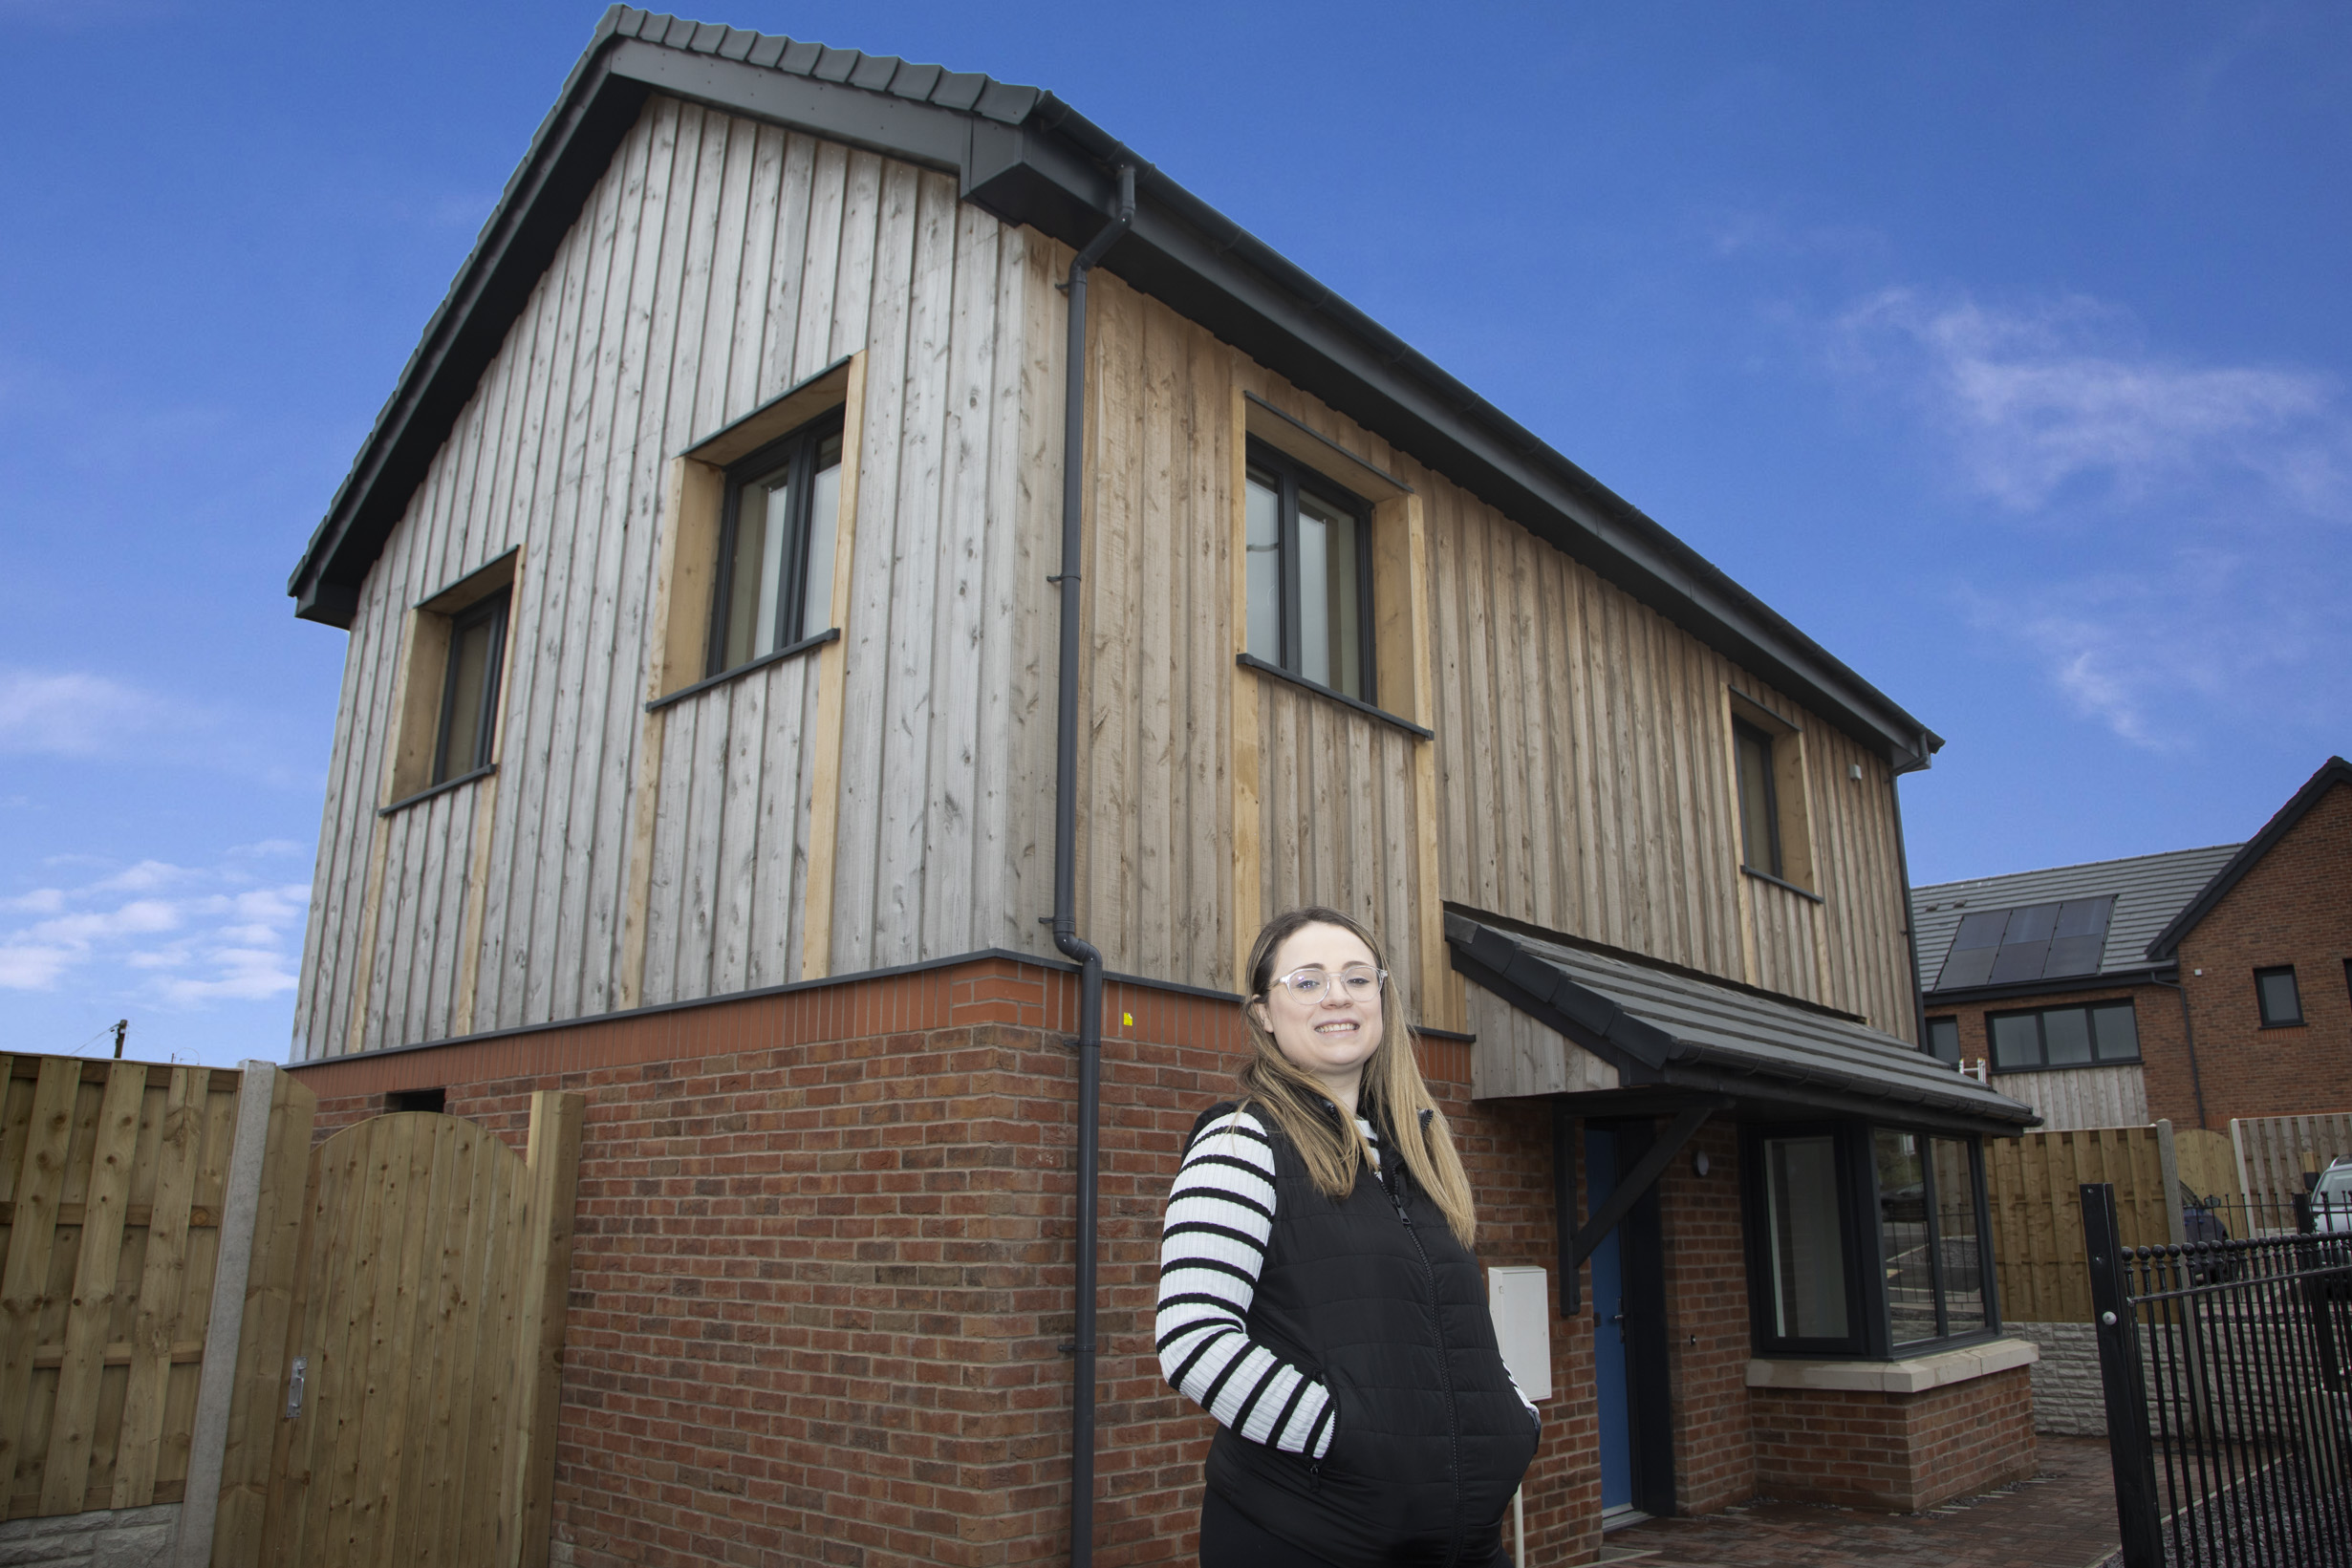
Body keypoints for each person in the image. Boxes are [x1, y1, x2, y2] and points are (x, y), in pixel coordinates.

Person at [1157, 906, 1540, 1567]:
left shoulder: (1419, 1157)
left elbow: (1455, 1323)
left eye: (1357, 978)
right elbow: (1193, 1338)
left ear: (1380, 999)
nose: (1337, 994)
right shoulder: (1240, 1141)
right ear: (1263, 1016)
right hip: (1307, 1538)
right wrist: (1344, 1436)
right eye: (1306, 981)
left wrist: (1511, 1422)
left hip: (1464, 1544)